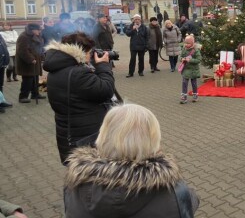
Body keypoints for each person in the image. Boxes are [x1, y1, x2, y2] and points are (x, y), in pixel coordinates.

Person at [63, 104, 199, 217]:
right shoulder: (176, 192)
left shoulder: (74, 186)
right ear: (153, 142)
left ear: (103, 136)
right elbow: (190, 205)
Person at [43, 32, 115, 164]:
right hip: (86, 135)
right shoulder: (78, 73)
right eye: (89, 52)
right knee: (93, 175)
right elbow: (106, 90)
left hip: (69, 132)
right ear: (81, 51)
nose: (90, 55)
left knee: (81, 175)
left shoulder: (57, 69)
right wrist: (103, 66)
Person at [15, 23, 46, 103]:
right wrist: (31, 59)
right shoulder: (23, 37)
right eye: (38, 30)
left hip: (36, 60)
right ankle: (23, 97)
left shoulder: (37, 35)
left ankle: (35, 94)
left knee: (35, 78)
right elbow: (22, 50)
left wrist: (42, 56)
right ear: (33, 30)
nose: (40, 31)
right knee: (27, 80)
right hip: (27, 62)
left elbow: (40, 48)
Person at [179, 35, 201, 104]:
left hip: (193, 69)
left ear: (192, 43)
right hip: (186, 68)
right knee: (184, 82)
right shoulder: (184, 48)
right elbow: (181, 56)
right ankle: (184, 96)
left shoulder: (195, 50)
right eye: (185, 43)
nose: (186, 44)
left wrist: (190, 60)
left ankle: (195, 95)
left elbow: (199, 59)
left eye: (188, 43)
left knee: (194, 83)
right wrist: (182, 59)